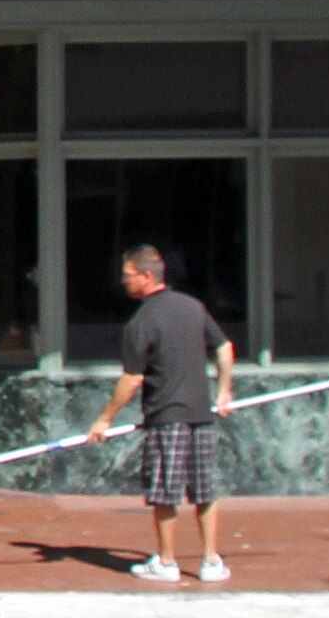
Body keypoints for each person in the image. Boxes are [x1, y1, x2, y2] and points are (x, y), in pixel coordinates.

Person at [82, 243, 234, 585]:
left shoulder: (142, 321)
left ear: (147, 276)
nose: (124, 282)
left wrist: (104, 418)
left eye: (128, 276)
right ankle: (211, 561)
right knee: (204, 490)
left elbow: (133, 377)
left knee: (166, 492)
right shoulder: (193, 307)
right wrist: (223, 390)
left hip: (167, 417)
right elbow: (224, 347)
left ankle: (167, 562)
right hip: (200, 415)